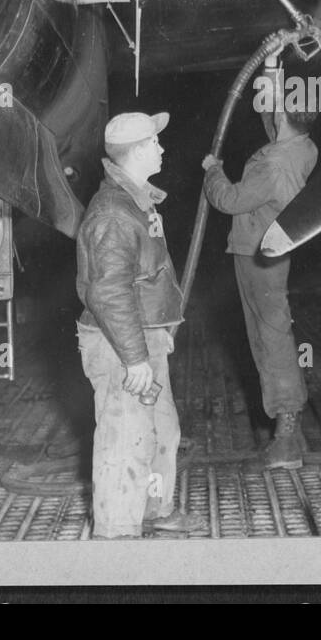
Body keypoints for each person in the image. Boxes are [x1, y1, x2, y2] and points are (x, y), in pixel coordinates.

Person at [75, 111, 204, 537]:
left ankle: (152, 509)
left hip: (143, 340)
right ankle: (116, 536)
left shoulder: (136, 200)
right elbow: (108, 293)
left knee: (160, 431)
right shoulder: (113, 213)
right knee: (125, 441)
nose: (162, 148)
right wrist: (134, 359)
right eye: (154, 143)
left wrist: (154, 340)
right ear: (134, 152)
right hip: (120, 346)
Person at [201, 55, 319, 468]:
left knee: (269, 337)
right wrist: (273, 73)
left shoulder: (272, 164)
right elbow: (276, 125)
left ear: (286, 112)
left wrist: (212, 170)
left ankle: (286, 435)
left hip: (257, 253)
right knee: (272, 333)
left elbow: (229, 200)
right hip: (273, 250)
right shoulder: (302, 147)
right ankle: (291, 430)